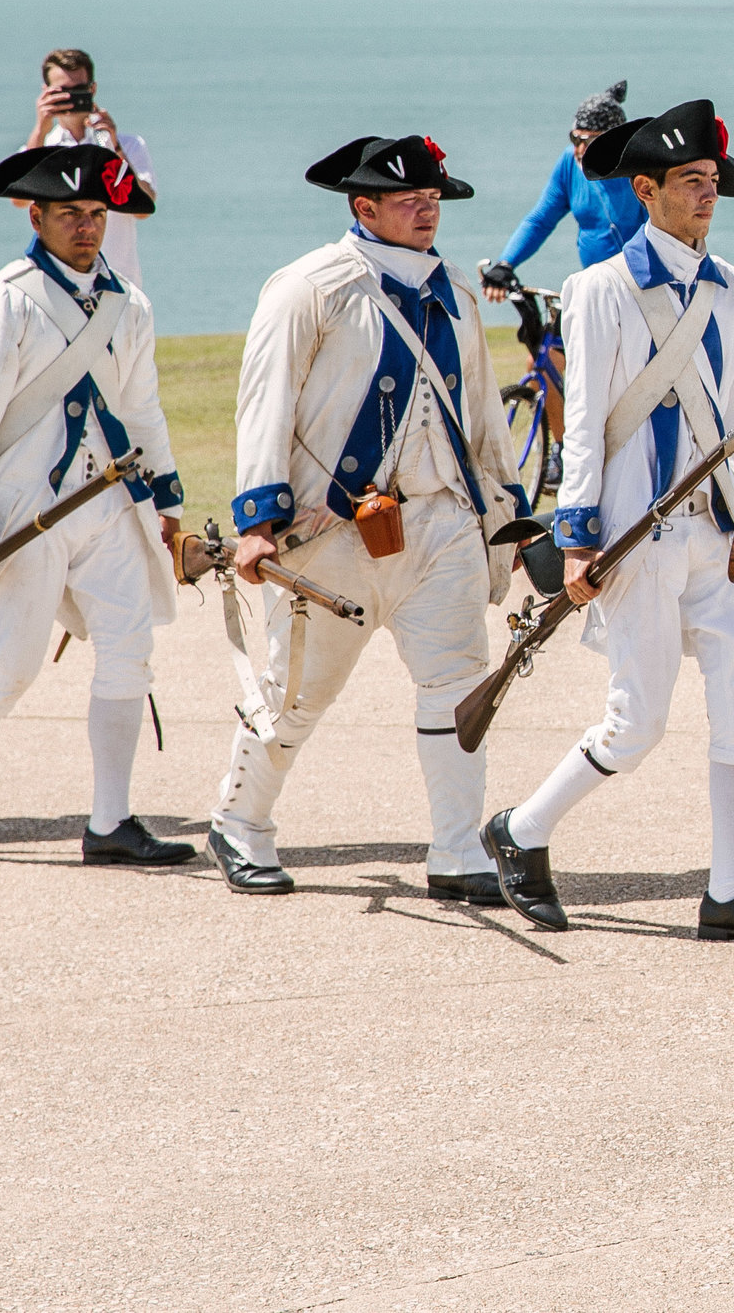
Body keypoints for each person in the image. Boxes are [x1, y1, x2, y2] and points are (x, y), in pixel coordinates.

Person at [485, 100, 734, 945]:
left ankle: (729, 891)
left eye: (712, 183)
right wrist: (580, 531)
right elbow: (585, 417)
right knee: (637, 724)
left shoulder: (729, 285)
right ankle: (520, 832)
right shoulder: (599, 290)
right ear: (645, 189)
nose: (707, 196)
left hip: (718, 533)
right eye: (690, 183)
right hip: (637, 535)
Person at [208, 134, 526, 899]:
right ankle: (240, 823)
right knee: (296, 696)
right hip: (331, 530)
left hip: (442, 522)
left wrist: (505, 514)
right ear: (364, 207)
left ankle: (456, 850)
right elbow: (265, 404)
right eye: (409, 200)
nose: (427, 211)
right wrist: (258, 516)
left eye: (433, 199)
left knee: (457, 685)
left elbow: (482, 406)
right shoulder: (309, 286)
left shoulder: (453, 285)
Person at [0, 144, 192, 868]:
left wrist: (166, 494)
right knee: (14, 664)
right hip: (24, 506)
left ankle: (111, 822)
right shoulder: (1, 298)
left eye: (96, 213)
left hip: (110, 503)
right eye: (70, 213)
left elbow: (143, 406)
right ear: (35, 215)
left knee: (131, 652)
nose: (87, 227)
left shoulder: (130, 304)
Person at [479, 79, 647, 303]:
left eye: (586, 141)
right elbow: (540, 220)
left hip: (643, 286)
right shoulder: (569, 163)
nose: (578, 149)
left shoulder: (640, 169)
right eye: (574, 138)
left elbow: (661, 232)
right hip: (597, 287)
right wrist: (506, 264)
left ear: (613, 140)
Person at [25, 47, 156, 285]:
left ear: (92, 89)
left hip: (119, 281)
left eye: (79, 91)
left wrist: (114, 147)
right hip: (57, 282)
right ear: (46, 93)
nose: (71, 99)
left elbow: (144, 207)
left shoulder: (126, 145)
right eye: (62, 92)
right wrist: (40, 128)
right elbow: (19, 198)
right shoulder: (42, 146)